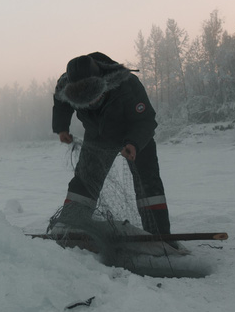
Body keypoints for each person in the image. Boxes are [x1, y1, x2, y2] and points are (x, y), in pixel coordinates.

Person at [51, 52, 171, 236]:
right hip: (98, 135)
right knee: (84, 181)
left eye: (93, 98)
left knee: (148, 183)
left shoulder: (128, 84)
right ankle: (72, 226)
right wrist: (61, 128)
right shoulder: (64, 86)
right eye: (84, 103)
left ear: (103, 84)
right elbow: (61, 103)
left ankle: (160, 235)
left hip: (135, 133)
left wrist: (134, 144)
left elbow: (146, 121)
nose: (90, 104)